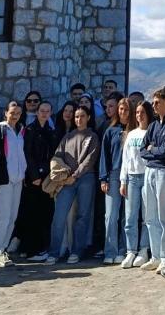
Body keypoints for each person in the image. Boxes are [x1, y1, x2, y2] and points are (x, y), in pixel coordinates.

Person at [47, 104, 100, 264]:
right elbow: (58, 156)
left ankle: (76, 251)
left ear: (88, 117)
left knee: (83, 216)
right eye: (77, 116)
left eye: (82, 116)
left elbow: (89, 160)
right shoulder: (67, 137)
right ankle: (54, 252)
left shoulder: (93, 136)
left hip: (86, 179)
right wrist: (65, 175)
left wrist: (75, 175)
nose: (79, 119)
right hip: (67, 180)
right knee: (59, 216)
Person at [0, 100, 27, 269]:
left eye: (17, 113)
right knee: (3, 219)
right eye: (12, 112)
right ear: (5, 113)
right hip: (3, 181)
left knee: (12, 219)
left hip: (17, 180)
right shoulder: (0, 130)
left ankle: (1, 252)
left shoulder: (20, 130)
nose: (15, 116)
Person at [141, 87, 165, 271]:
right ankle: (155, 255)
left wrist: (152, 150)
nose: (154, 106)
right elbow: (142, 150)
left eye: (158, 102)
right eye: (153, 102)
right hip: (149, 172)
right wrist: (153, 151)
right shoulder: (153, 125)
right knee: (150, 216)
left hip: (164, 172)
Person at [19, 100, 57, 262]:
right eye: (42, 110)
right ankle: (29, 249)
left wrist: (48, 176)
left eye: (47, 111)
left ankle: (42, 248)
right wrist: (34, 175)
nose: (44, 113)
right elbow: (27, 153)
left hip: (47, 179)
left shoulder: (51, 131)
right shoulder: (29, 130)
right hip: (33, 179)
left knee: (45, 214)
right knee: (31, 214)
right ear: (37, 112)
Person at [99, 96, 130, 265]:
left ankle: (123, 249)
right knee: (111, 215)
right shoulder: (111, 130)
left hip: (131, 176)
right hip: (114, 174)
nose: (122, 112)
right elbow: (104, 156)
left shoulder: (135, 130)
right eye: (120, 109)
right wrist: (103, 178)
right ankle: (110, 250)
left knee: (128, 215)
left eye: (125, 109)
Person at [120, 98, 151, 268]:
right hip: (132, 178)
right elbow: (125, 159)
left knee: (146, 216)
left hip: (147, 177)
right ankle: (130, 250)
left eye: (142, 112)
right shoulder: (131, 134)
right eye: (137, 112)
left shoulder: (151, 133)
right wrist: (123, 180)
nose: (139, 115)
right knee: (130, 216)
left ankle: (143, 249)